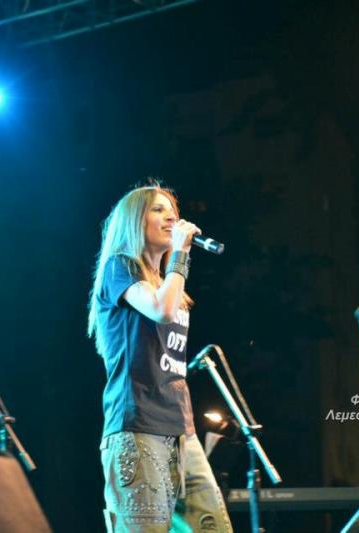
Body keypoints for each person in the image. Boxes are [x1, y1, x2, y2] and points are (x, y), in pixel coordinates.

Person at [88, 184, 233, 532]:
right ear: (134, 222)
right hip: (138, 427)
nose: (171, 217)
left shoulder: (170, 285)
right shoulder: (119, 267)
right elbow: (161, 311)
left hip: (182, 430)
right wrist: (181, 254)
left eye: (173, 211)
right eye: (158, 209)